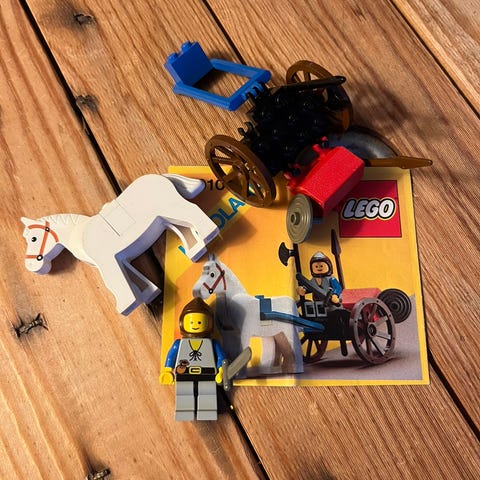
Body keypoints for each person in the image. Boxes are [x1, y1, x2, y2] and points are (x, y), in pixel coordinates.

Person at [160, 298, 225, 421]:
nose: (195, 325)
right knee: (184, 395)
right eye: (191, 322)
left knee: (208, 394)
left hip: (207, 374)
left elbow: (221, 357)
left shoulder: (213, 344)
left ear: (209, 323)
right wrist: (167, 370)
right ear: (182, 323)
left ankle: (207, 412)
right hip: (184, 373)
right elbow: (171, 356)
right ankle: (184, 412)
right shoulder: (179, 344)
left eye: (199, 322)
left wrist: (221, 370)